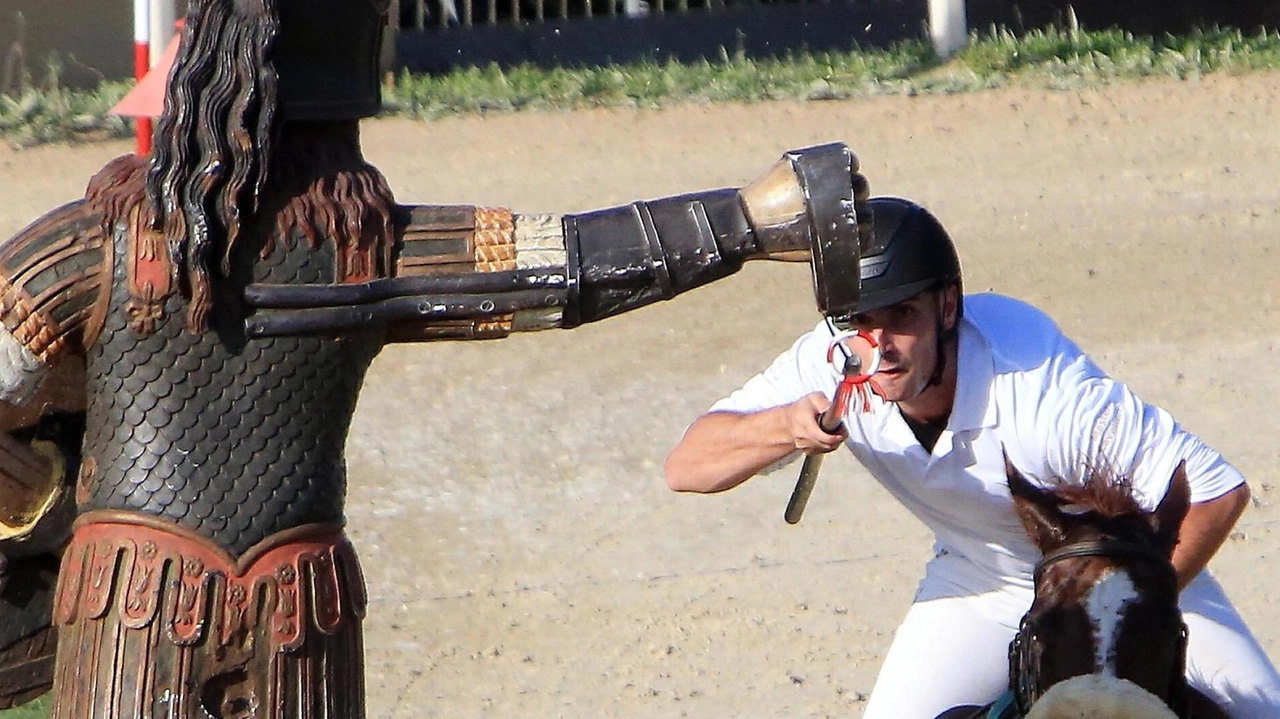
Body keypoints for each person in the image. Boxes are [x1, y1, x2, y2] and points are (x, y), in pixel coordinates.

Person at [0, 0, 868, 714]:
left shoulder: (93, 249)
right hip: (298, 612)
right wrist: (752, 218)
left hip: (132, 606)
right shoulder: (364, 250)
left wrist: (36, 491)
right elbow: (565, 267)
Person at [664, 196, 1280, 719]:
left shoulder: (1045, 397)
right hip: (978, 581)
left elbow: (1217, 488)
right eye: (859, 321)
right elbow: (686, 466)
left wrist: (1133, 607)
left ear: (948, 307)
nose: (878, 346)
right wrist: (784, 425)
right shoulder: (829, 363)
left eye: (902, 315)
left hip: (1117, 571)